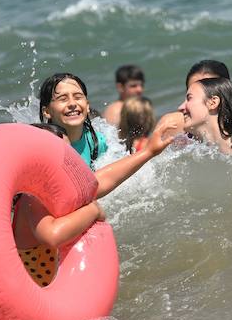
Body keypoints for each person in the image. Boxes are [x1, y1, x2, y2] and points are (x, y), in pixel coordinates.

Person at [14, 117, 177, 285]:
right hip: (38, 297)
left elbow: (101, 180)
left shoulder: (60, 192)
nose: (69, 162)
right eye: (60, 156)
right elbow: (52, 235)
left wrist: (148, 152)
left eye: (70, 155)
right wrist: (93, 210)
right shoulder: (31, 199)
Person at [37, 72, 107, 168]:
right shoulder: (41, 148)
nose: (72, 104)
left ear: (87, 106)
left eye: (78, 97)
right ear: (47, 111)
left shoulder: (98, 143)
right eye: (63, 99)